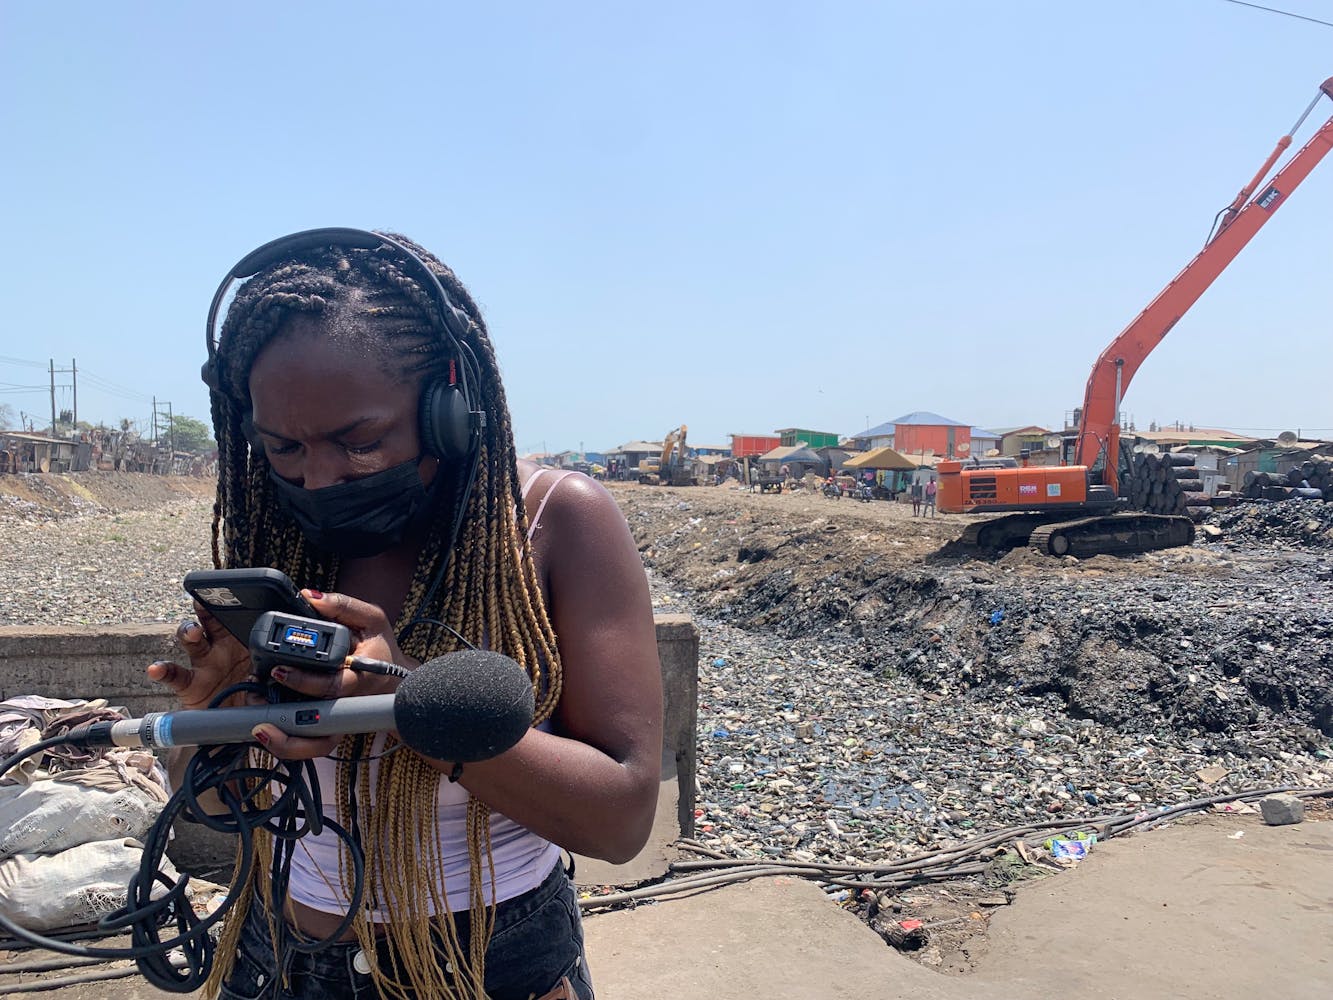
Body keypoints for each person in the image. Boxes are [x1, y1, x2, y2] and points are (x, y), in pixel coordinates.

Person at [147, 230, 663, 1000]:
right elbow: (225, 809)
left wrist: (403, 701)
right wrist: (213, 722)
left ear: (449, 407)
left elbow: (619, 821)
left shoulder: (554, 521)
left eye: (359, 443)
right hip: (276, 959)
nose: (318, 479)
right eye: (283, 447)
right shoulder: (274, 532)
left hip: (484, 966)